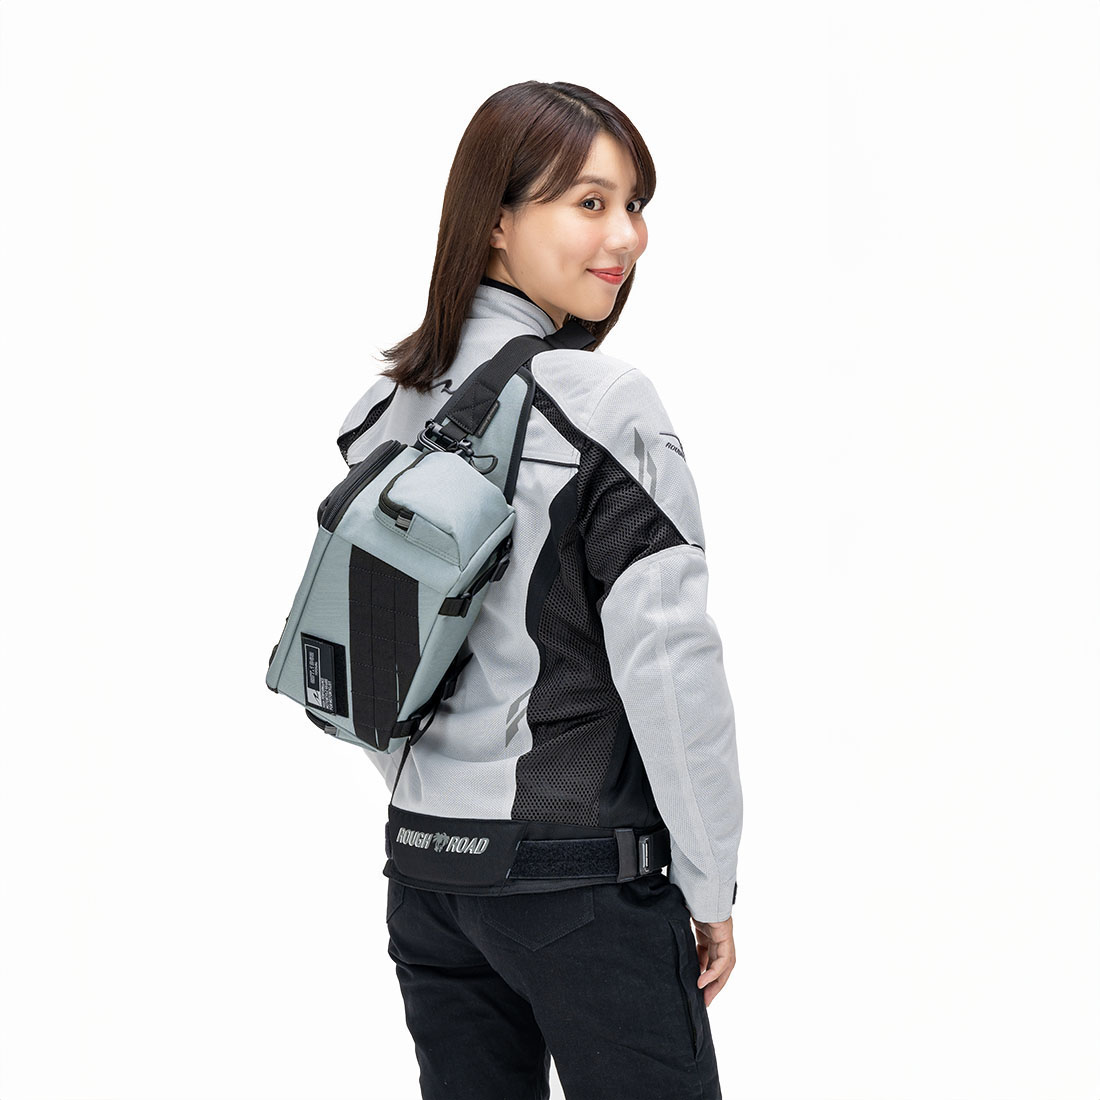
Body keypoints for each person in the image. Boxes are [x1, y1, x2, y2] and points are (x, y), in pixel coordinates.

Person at [336, 81, 743, 1100]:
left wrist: (440, 814)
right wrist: (709, 882)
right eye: (588, 202)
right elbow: (670, 665)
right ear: (496, 222)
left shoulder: (383, 412)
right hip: (579, 883)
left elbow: (375, 660)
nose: (626, 235)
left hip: (426, 878)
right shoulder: (604, 404)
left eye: (633, 203)